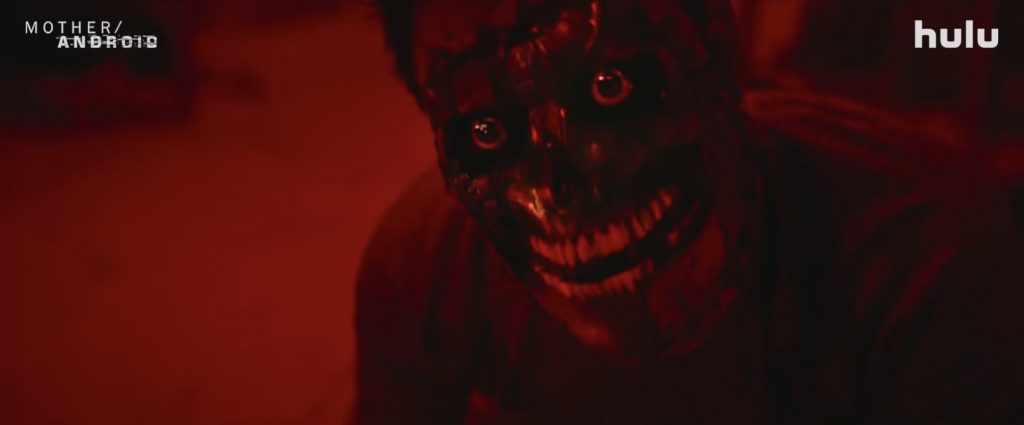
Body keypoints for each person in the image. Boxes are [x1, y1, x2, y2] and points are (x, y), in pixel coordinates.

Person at [354, 0, 1024, 423]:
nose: (559, 186)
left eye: (609, 89)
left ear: (717, 45)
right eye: (487, 131)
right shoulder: (426, 273)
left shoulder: (934, 264)